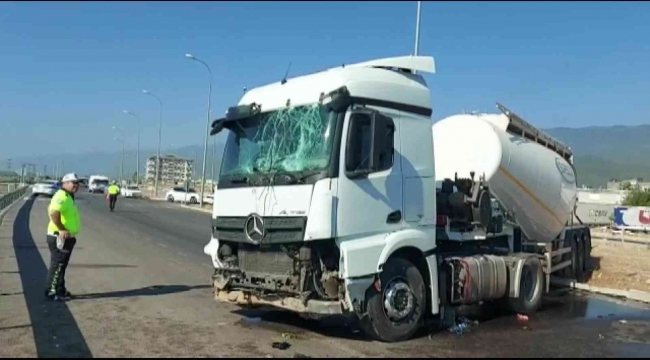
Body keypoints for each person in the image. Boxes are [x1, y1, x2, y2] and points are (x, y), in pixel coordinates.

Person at [45, 173, 81, 301]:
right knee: (58, 265)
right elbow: (54, 212)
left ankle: (60, 290)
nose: (75, 185)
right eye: (72, 182)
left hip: (66, 237)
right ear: (64, 183)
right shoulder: (62, 196)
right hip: (59, 236)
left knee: (61, 265)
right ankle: (52, 291)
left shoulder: (68, 196)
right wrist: (61, 229)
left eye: (77, 183)